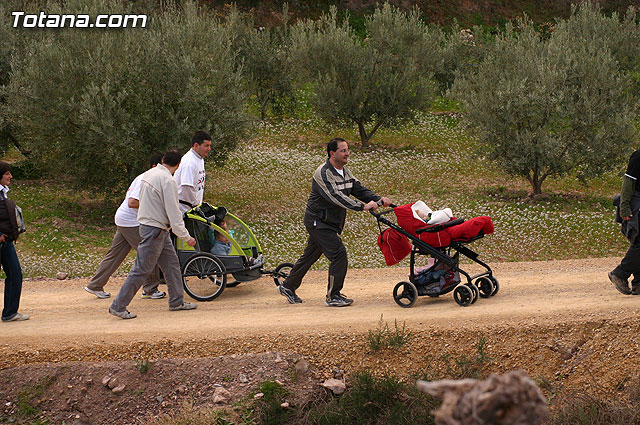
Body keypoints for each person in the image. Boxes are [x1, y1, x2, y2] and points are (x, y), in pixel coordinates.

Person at [277, 138, 391, 307]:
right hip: (318, 221)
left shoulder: (345, 171)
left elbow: (357, 189)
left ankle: (288, 286)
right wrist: (362, 207)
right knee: (338, 254)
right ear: (332, 153)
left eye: (347, 150)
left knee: (311, 255)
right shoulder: (322, 173)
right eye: (343, 150)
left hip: (330, 222)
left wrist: (377, 199)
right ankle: (333, 296)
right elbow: (335, 196)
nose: (347, 153)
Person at [109, 149, 197, 319]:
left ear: (163, 159)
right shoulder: (168, 181)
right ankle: (118, 306)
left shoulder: (149, 174)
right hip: (156, 230)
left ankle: (177, 302)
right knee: (141, 269)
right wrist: (187, 237)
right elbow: (174, 213)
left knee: (171, 265)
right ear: (178, 165)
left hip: (151, 227)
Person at [84, 153, 167, 300]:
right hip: (131, 222)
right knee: (150, 251)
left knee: (115, 255)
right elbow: (132, 203)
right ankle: (149, 289)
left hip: (125, 220)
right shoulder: (145, 179)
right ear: (155, 166)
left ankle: (95, 285)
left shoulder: (148, 177)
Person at [0, 161, 29, 322]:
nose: (10, 176)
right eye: (7, 174)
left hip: (7, 242)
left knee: (15, 274)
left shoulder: (3, 192)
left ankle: (10, 313)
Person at [610, 148, 640, 295]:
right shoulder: (638, 156)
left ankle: (638, 283)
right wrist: (625, 207)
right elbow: (628, 184)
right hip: (636, 204)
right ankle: (620, 273)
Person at [175, 131, 212, 214]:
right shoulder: (189, 163)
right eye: (206, 146)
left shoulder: (199, 158)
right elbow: (186, 187)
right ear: (196, 145)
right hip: (184, 211)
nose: (209, 149)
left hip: (193, 209)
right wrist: (195, 205)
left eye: (210, 146)